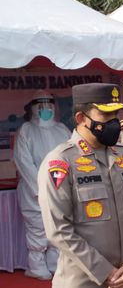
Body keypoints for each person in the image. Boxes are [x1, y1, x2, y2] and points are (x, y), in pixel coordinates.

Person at [38, 83, 123, 288]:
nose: (114, 123)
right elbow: (59, 230)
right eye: (106, 117)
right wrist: (105, 271)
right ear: (81, 118)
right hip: (83, 281)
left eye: (115, 115)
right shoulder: (61, 162)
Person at [13, 90, 71, 280]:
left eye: (49, 104)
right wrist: (39, 189)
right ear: (32, 108)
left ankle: (55, 265)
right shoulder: (26, 130)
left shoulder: (62, 129)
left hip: (60, 188)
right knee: (37, 228)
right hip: (33, 191)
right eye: (41, 105)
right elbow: (23, 162)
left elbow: (72, 157)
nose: (46, 109)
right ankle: (36, 267)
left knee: (58, 225)